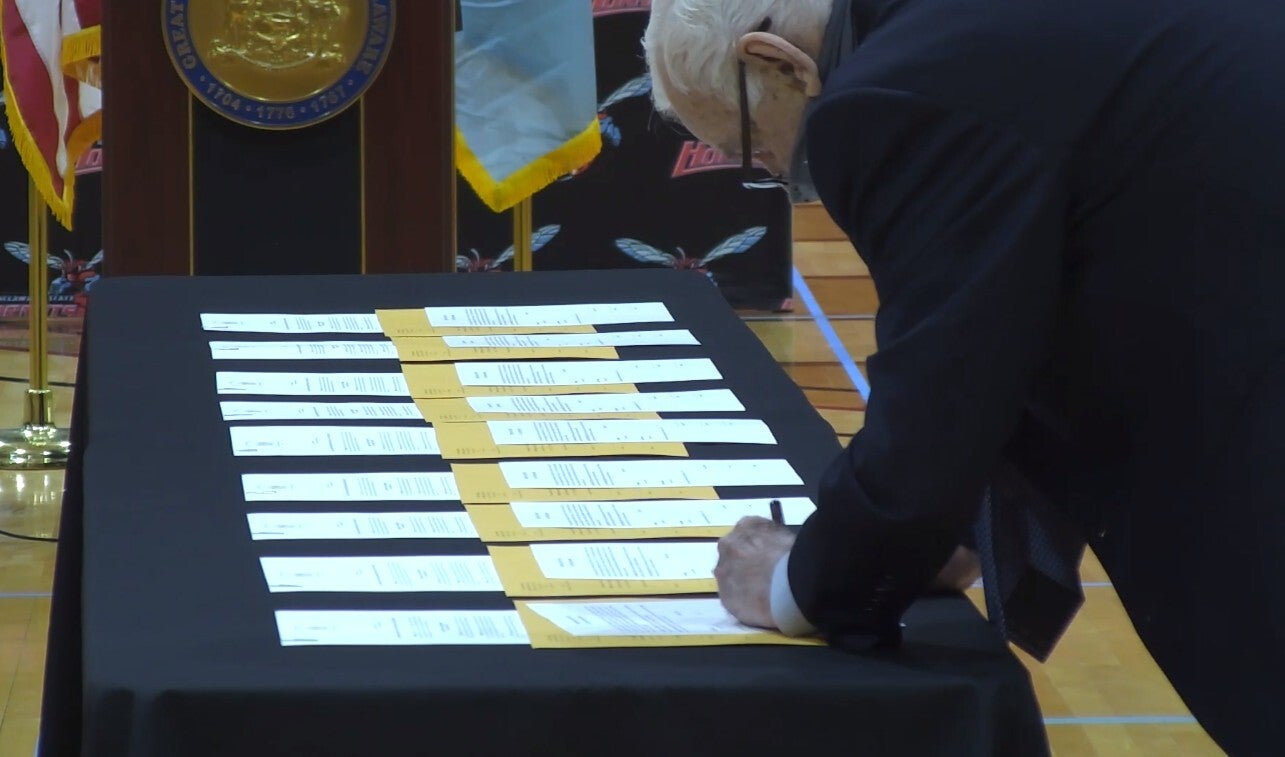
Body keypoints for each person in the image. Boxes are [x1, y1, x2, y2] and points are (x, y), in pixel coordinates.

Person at [644, 0, 1285, 754]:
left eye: (758, 155)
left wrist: (801, 585)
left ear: (779, 63)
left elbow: (940, 395)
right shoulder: (951, 31)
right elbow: (1014, 307)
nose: (787, 179)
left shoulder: (894, 91)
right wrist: (938, 531)